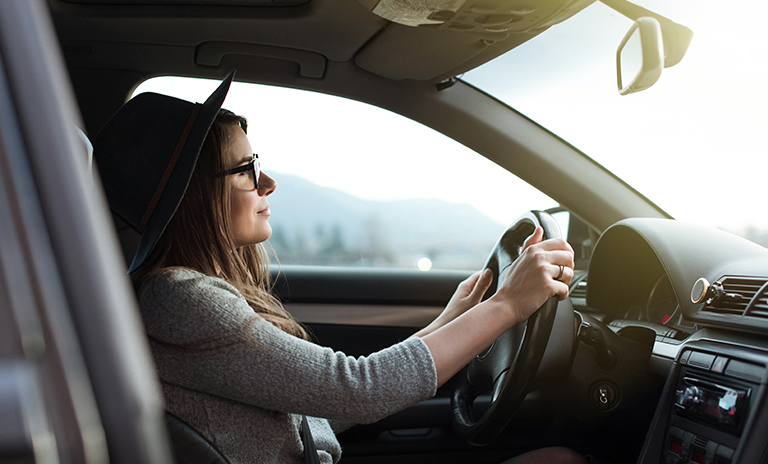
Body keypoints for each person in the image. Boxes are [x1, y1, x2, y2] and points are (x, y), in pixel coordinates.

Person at [93, 71, 584, 464]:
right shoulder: (179, 298)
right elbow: (357, 389)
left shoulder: (183, 294)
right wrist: (507, 305)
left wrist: (449, 322)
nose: (268, 181)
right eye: (244, 169)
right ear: (196, 197)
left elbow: (316, 403)